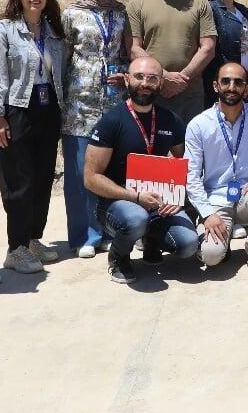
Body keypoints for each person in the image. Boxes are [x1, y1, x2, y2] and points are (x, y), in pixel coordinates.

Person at [83, 55, 195, 286]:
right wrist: (134, 196)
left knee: (188, 244)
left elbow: (186, 162)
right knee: (135, 219)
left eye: (152, 78)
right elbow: (91, 178)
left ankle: (151, 239)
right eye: (139, 77)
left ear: (161, 83)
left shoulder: (170, 120)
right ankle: (119, 257)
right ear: (127, 79)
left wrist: (178, 195)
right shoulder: (111, 121)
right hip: (118, 202)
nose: (145, 83)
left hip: (158, 201)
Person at [0, 0, 69, 275]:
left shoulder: (53, 32)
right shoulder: (3, 30)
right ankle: (16, 248)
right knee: (18, 179)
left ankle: (33, 238)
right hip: (17, 108)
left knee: (43, 176)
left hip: (49, 108)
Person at [61, 0, 133, 258]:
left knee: (109, 168)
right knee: (80, 170)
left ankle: (107, 229)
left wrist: (125, 74)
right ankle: (84, 235)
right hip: (79, 102)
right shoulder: (72, 13)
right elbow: (64, 55)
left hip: (113, 101)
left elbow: (127, 54)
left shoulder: (122, 13)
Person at [185, 62, 248, 279]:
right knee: (211, 256)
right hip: (216, 199)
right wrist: (207, 214)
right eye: (226, 81)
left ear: (246, 87)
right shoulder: (199, 125)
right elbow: (191, 175)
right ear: (215, 86)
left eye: (238, 82)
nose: (231, 87)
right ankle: (221, 241)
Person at [127, 0, 217, 122]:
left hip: (190, 95)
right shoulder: (137, 4)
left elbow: (208, 48)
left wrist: (181, 79)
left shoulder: (199, 3)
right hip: (150, 92)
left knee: (189, 140)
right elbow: (133, 48)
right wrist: (163, 76)